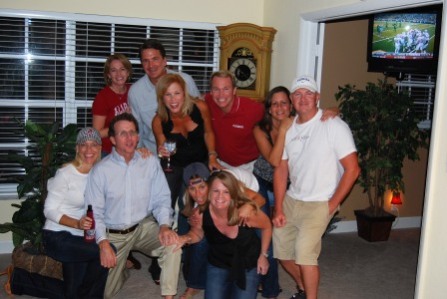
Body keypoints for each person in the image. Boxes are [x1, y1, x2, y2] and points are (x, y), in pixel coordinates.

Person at [272, 75, 360, 299]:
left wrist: (332, 204)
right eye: (298, 94)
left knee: (305, 255)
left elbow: (353, 169)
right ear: (292, 99)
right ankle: (303, 288)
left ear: (317, 97)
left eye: (308, 93)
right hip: (293, 200)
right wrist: (279, 207)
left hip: (320, 202)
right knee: (281, 251)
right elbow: (281, 169)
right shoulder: (288, 128)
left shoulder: (333, 124)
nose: (303, 98)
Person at [253, 86, 340, 298]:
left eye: (284, 102)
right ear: (269, 108)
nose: (280, 107)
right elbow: (274, 162)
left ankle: (304, 288)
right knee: (268, 235)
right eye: (275, 103)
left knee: (298, 245)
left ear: (291, 105)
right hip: (263, 183)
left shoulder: (300, 124)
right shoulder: (261, 129)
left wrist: (335, 111)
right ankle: (278, 287)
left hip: (290, 185)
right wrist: (283, 130)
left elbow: (321, 117)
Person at [84, 113, 182, 299]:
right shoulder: (101, 171)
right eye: (123, 134)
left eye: (132, 133)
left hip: (141, 227)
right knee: (102, 292)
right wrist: (103, 243)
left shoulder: (150, 162)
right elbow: (94, 212)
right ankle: (121, 270)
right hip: (113, 236)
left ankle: (168, 296)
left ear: (138, 136)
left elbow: (162, 198)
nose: (129, 138)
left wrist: (164, 226)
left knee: (173, 242)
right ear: (112, 139)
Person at [176, 170, 271, 299]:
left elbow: (267, 226)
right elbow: (197, 232)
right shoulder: (201, 212)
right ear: (209, 192)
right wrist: (185, 238)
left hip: (247, 263)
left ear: (233, 193)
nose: (220, 197)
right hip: (218, 262)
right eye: (216, 191)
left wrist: (263, 255)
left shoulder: (244, 212)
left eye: (226, 192)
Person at [43, 127, 108, 299]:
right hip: (57, 235)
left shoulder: (101, 174)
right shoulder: (65, 174)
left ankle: (21, 280)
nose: (89, 150)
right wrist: (76, 223)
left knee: (72, 291)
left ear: (100, 148)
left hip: (81, 237)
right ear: (77, 148)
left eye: (94, 145)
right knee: (105, 251)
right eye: (83, 145)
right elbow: (48, 210)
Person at [152, 73, 221, 209]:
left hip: (200, 161)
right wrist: (161, 151)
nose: (173, 99)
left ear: (184, 93)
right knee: (165, 200)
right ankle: (165, 226)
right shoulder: (158, 121)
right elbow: (162, 148)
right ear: (161, 98)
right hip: (176, 165)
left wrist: (212, 156)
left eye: (177, 93)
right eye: (168, 94)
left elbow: (208, 132)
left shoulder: (200, 106)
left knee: (196, 201)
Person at [129, 38, 200, 154]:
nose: (151, 65)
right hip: (152, 154)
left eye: (155, 59)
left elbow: (200, 116)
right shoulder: (135, 92)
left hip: (190, 150)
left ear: (164, 61)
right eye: (145, 61)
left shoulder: (186, 81)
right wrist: (138, 153)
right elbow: (137, 129)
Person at [204, 70, 264, 172]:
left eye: (226, 89)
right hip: (220, 164)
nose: (221, 95)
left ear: (234, 90)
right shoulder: (208, 102)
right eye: (216, 89)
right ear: (211, 92)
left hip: (249, 166)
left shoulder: (253, 109)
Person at [92, 53, 132, 156]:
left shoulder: (134, 91)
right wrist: (121, 121)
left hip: (131, 149)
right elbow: (97, 133)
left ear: (128, 72)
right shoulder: (102, 97)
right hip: (108, 152)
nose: (119, 74)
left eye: (122, 69)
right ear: (109, 75)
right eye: (113, 70)